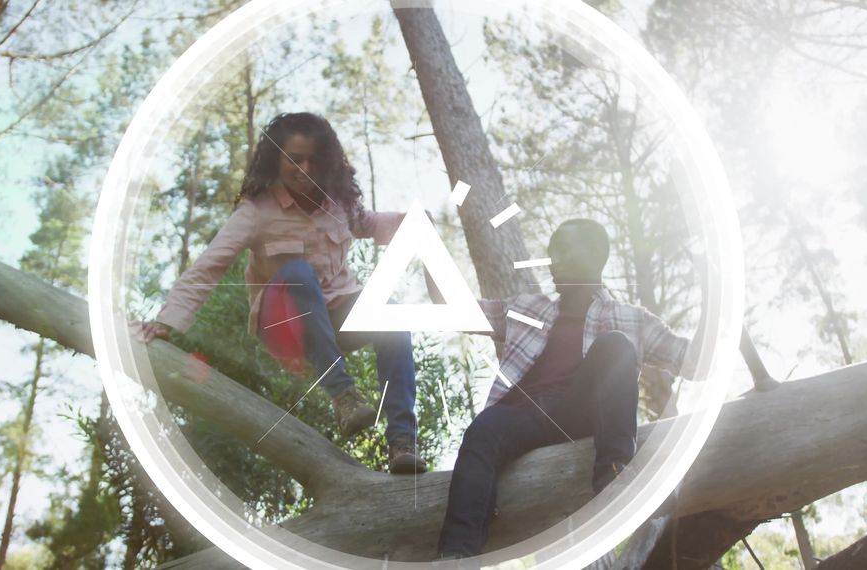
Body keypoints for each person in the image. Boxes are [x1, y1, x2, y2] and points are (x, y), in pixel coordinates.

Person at [134, 112, 427, 474]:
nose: (304, 168)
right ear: (278, 160)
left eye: (313, 160)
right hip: (283, 325)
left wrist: (410, 223)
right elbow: (209, 266)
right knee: (298, 273)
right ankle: (344, 397)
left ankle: (402, 441)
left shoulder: (338, 202)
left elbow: (369, 223)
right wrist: (167, 323)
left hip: (334, 317)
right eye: (295, 159)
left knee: (392, 314)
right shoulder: (257, 212)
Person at [430, 219, 691, 560]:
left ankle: (615, 474)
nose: (554, 260)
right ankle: (457, 557)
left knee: (615, 346)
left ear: (596, 256)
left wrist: (725, 322)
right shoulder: (527, 308)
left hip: (579, 412)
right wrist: (428, 246)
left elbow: (692, 360)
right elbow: (455, 311)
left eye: (564, 250)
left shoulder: (631, 319)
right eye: (551, 253)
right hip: (523, 418)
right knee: (483, 429)